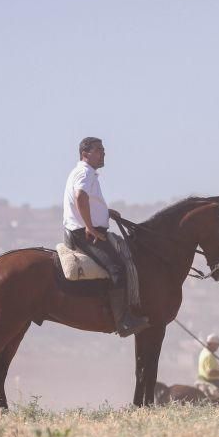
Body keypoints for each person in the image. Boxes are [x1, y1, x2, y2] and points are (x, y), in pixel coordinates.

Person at [63, 137, 149, 338]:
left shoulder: (85, 173)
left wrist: (105, 211)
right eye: (99, 150)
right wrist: (90, 228)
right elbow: (80, 198)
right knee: (117, 268)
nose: (103, 154)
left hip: (87, 228)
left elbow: (87, 200)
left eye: (103, 150)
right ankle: (123, 321)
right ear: (86, 154)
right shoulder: (85, 172)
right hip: (83, 233)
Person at [196, 334, 219, 400]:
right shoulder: (208, 355)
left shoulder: (204, 352)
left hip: (208, 379)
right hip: (211, 381)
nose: (218, 346)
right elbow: (210, 373)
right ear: (212, 344)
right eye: (217, 345)